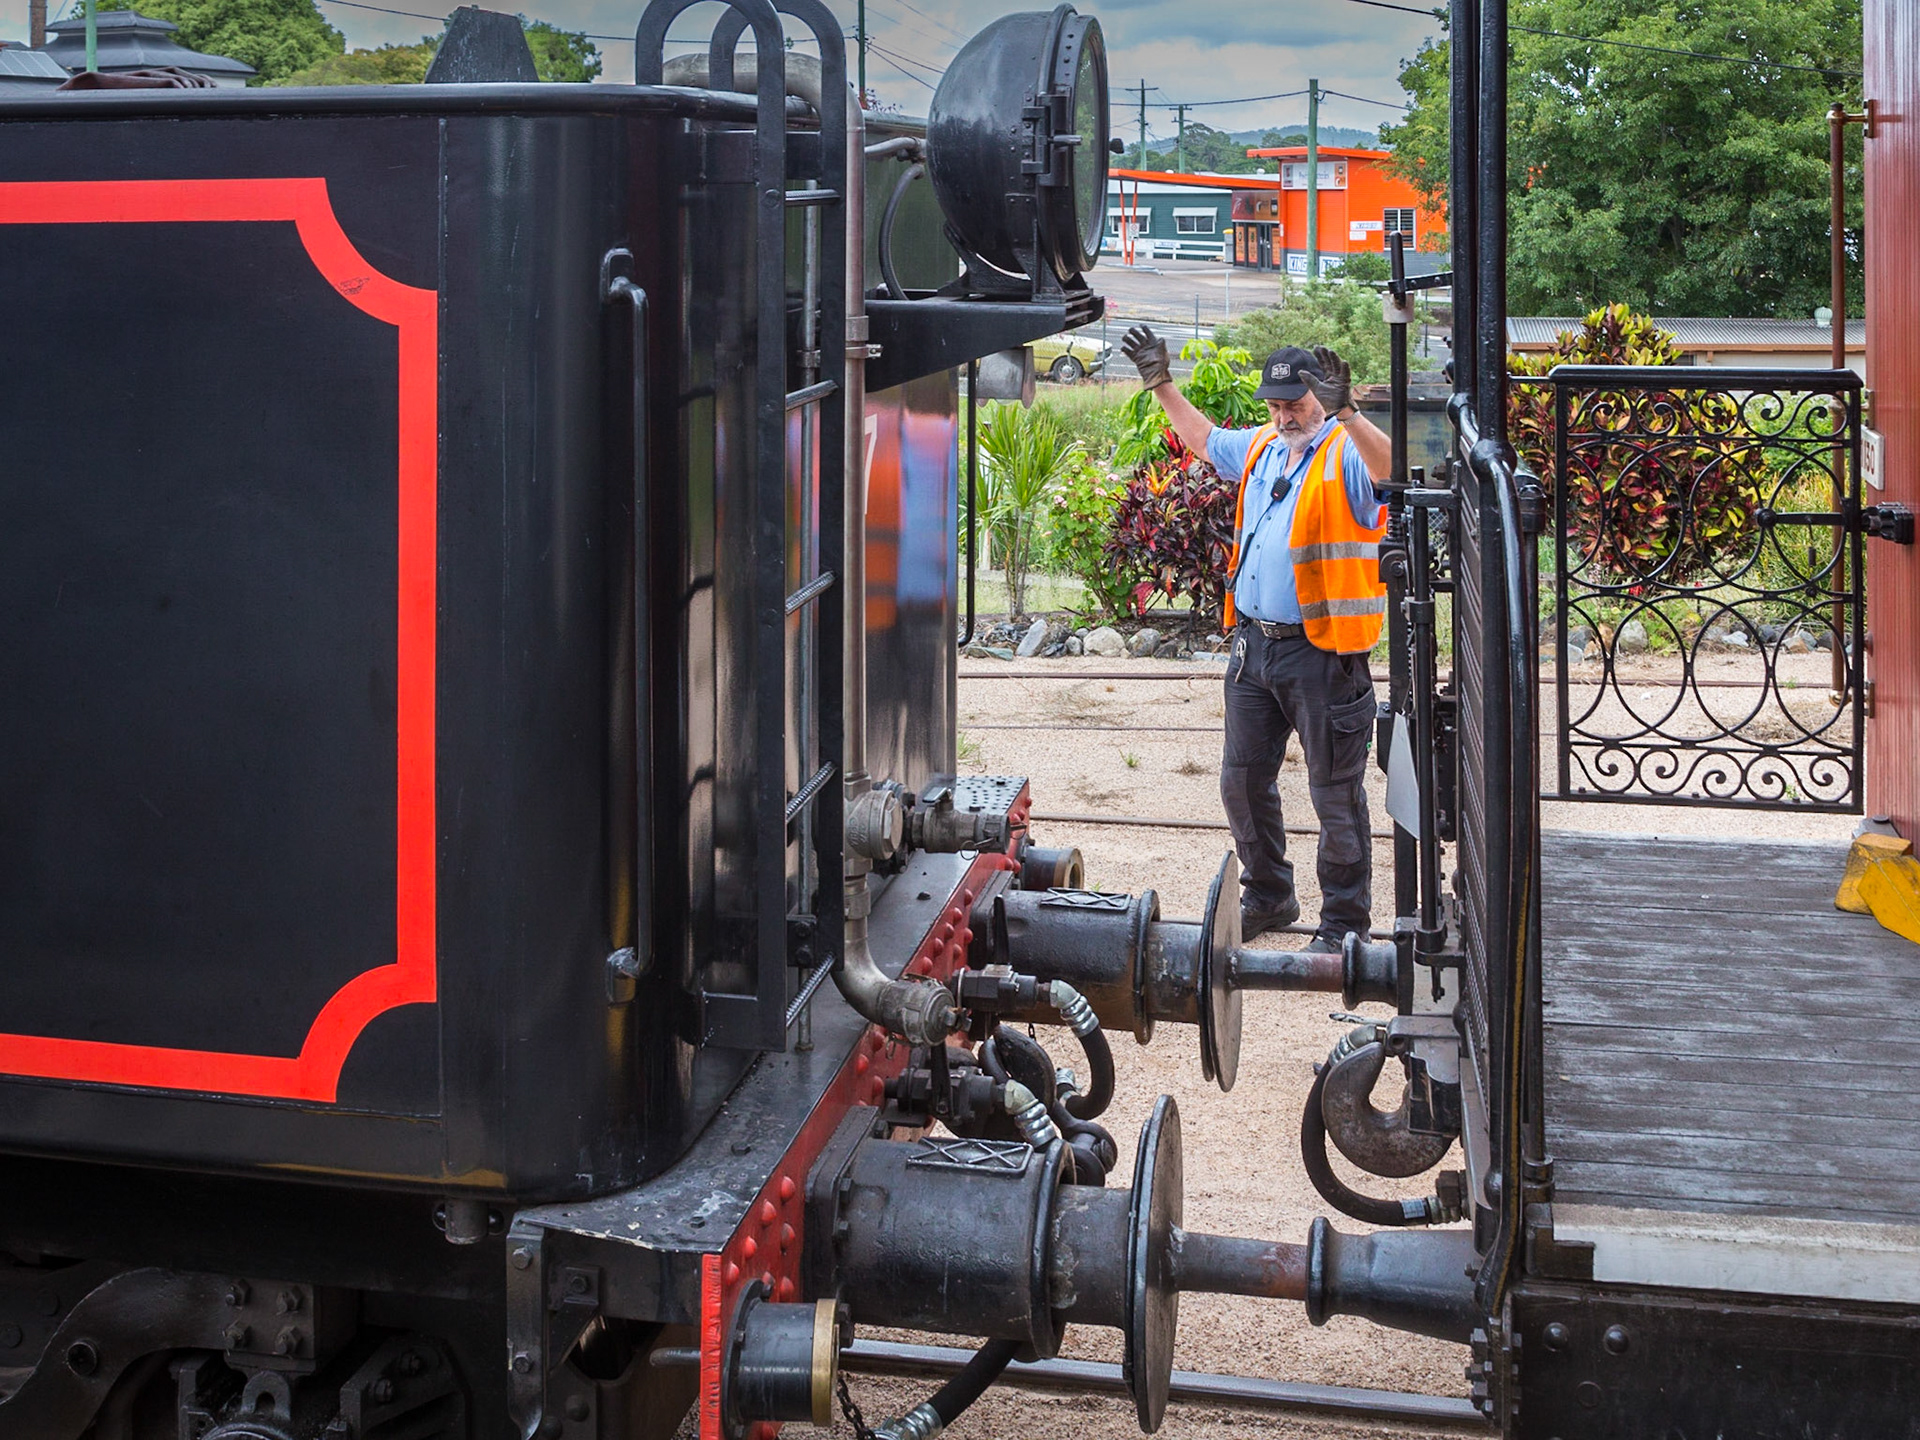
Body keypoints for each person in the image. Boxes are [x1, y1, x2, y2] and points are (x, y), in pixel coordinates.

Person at [1120, 326, 1391, 952]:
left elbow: (1390, 471)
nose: (1284, 416)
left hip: (1325, 651)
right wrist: (1161, 383)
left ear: (1319, 397)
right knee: (1241, 781)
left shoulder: (1345, 451)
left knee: (1334, 793)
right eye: (1274, 405)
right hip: (1255, 647)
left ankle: (1344, 926)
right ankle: (1269, 895)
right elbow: (1206, 440)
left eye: (1294, 404)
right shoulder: (1266, 445)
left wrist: (1349, 412)